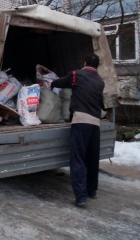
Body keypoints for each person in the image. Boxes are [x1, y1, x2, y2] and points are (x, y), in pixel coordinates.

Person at [51, 53, 105, 208]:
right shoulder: (100, 81)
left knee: (78, 160)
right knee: (92, 160)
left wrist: (52, 84)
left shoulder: (77, 74)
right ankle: (91, 191)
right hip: (95, 124)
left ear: (85, 62)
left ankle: (81, 197)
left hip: (81, 122)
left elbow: (62, 82)